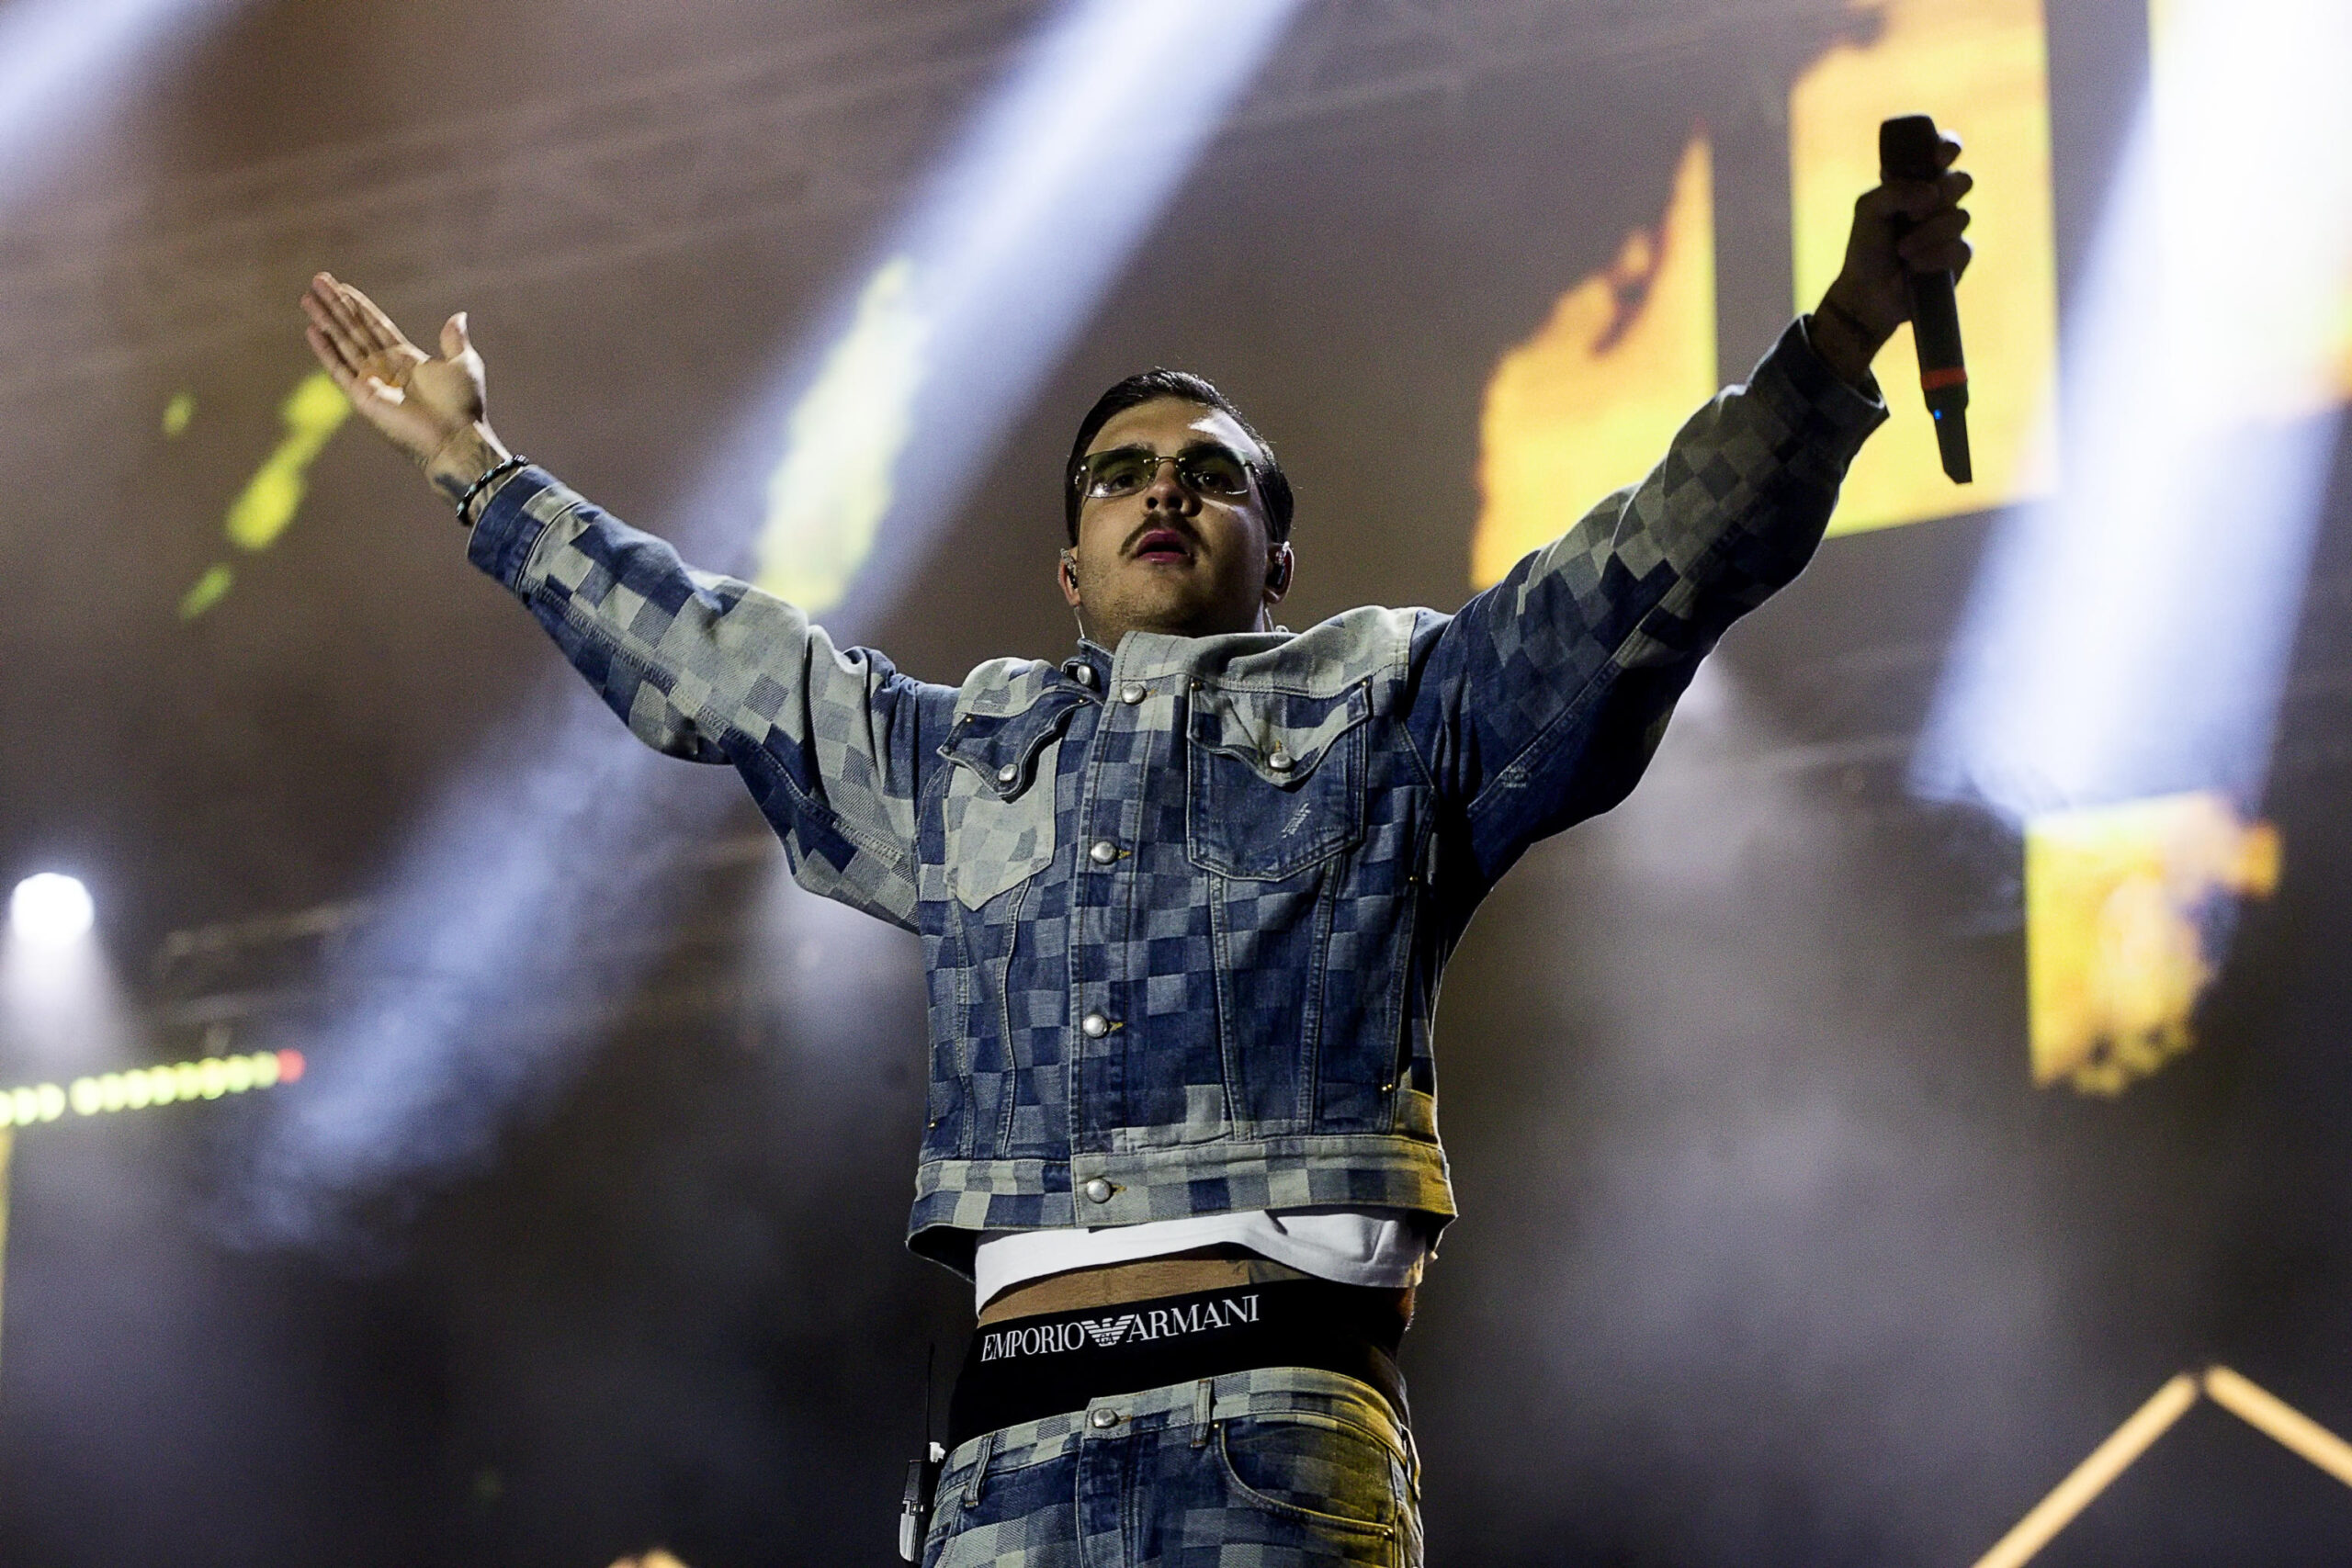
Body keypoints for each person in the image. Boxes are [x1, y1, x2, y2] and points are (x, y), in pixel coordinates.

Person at [301, 131, 1971, 1567]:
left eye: (1209, 474)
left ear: (1278, 552)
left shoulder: (1396, 706)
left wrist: (1833, 344)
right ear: (1071, 565)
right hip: (1004, 1477)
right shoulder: (960, 763)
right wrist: (475, 468)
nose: (1160, 490)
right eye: (1118, 474)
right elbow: (730, 668)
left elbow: (1647, 568)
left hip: (1270, 1446)